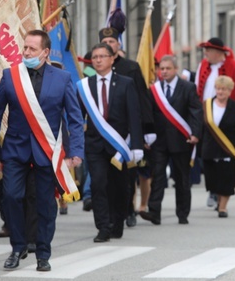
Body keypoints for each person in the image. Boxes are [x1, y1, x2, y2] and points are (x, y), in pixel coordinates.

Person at [0, 29, 84, 272]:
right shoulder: (11, 76)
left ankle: (43, 252)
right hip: (15, 150)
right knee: (11, 198)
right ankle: (18, 247)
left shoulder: (62, 78)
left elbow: (75, 118)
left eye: (32, 49)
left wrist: (76, 152)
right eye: (25, 48)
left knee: (45, 204)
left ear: (45, 52)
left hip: (47, 152)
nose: (26, 52)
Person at [78, 43, 143, 242]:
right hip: (95, 145)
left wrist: (137, 145)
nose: (98, 60)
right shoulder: (85, 85)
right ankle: (103, 227)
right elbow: (77, 117)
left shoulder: (125, 83)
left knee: (120, 187)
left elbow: (134, 115)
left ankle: (118, 221)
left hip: (119, 146)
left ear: (112, 58)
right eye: (95, 57)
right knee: (98, 184)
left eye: (102, 56)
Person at [99, 27, 154, 228]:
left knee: (127, 176)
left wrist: (147, 129)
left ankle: (128, 210)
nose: (109, 45)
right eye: (105, 43)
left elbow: (142, 98)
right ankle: (108, 213)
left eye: (112, 42)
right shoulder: (92, 66)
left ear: (119, 44)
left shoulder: (131, 67)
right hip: (102, 131)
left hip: (125, 133)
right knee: (103, 178)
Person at [140, 55, 202, 225]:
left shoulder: (188, 87)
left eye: (168, 68)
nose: (164, 71)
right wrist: (146, 136)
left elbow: (196, 112)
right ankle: (154, 212)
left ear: (175, 69)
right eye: (162, 68)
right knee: (158, 177)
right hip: (159, 142)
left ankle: (182, 213)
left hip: (182, 140)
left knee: (182, 179)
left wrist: (195, 133)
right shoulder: (154, 90)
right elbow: (148, 115)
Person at [200, 76, 235, 218]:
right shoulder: (206, 105)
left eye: (223, 89)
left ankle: (223, 208)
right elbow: (200, 128)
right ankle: (218, 200)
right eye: (218, 88)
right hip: (210, 148)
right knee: (214, 180)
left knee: (226, 180)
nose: (220, 92)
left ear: (230, 91)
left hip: (228, 149)